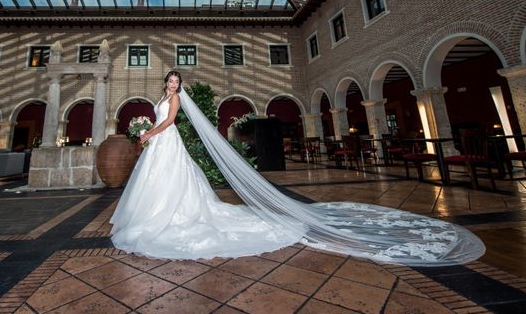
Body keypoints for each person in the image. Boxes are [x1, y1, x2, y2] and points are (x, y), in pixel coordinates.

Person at [110, 71, 485, 265]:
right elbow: (161, 120)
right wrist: (146, 133)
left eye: (176, 81)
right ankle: (161, 214)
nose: (173, 84)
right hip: (158, 145)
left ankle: (173, 215)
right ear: (165, 82)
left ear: (179, 85)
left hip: (165, 143)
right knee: (158, 183)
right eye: (170, 80)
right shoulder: (162, 96)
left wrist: (148, 134)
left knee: (172, 181)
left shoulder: (174, 100)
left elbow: (172, 123)